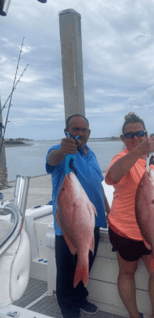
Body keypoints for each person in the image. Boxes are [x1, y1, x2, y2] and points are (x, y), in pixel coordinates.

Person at [105, 112, 154, 318]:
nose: (136, 138)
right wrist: (139, 150)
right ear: (123, 139)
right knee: (126, 273)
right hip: (125, 230)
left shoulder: (153, 159)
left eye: (140, 133)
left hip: (153, 229)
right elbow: (112, 176)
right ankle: (134, 315)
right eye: (130, 135)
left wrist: (145, 152)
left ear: (146, 133)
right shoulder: (122, 158)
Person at [46, 114, 110, 318]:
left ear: (89, 133)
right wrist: (63, 150)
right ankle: (68, 308)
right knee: (66, 271)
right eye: (75, 129)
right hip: (68, 225)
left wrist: (108, 208)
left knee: (86, 263)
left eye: (83, 130)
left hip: (93, 222)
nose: (79, 133)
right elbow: (51, 161)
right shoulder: (61, 151)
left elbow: (97, 183)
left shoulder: (91, 154)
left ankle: (80, 298)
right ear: (66, 131)